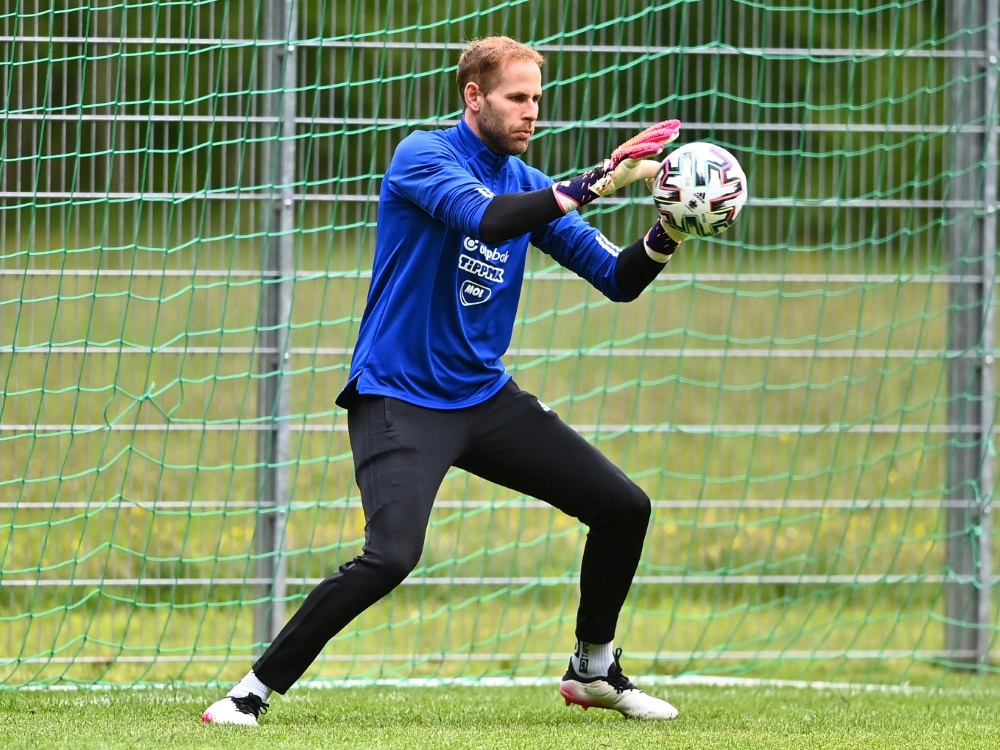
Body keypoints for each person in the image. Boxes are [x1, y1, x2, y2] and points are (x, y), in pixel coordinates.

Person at [202, 35, 689, 727]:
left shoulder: (529, 183)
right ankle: (249, 691)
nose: (531, 113)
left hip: (483, 397)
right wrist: (600, 180)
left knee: (623, 506)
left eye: (537, 101)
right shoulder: (423, 157)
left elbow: (618, 279)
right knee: (393, 554)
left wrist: (671, 228)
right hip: (399, 396)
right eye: (516, 98)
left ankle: (594, 668)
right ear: (474, 97)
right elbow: (487, 222)